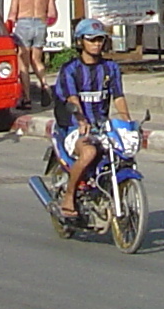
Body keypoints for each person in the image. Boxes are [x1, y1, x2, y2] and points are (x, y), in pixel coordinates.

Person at [50, 18, 129, 219]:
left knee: (124, 153)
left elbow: (118, 96)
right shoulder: (70, 69)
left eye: (100, 39)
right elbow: (72, 98)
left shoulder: (110, 68)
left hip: (102, 126)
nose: (96, 44)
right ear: (80, 42)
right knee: (88, 153)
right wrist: (81, 119)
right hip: (74, 127)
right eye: (91, 39)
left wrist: (128, 122)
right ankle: (69, 196)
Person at [6, 0, 57, 102]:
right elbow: (52, 13)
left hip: (24, 23)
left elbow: (13, 11)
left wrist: (8, 26)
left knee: (23, 62)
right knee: (37, 59)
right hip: (40, 23)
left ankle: (27, 98)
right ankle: (44, 84)